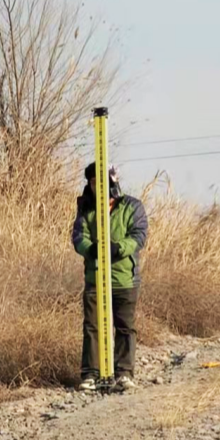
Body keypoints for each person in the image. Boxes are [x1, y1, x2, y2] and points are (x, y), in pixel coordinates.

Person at [71, 163, 149, 392]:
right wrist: (91, 249)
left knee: (125, 327)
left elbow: (139, 235)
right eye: (94, 183)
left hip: (124, 278)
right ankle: (90, 374)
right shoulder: (86, 208)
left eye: (102, 182)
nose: (98, 187)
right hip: (95, 278)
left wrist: (119, 248)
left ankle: (124, 373)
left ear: (113, 183)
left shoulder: (132, 206)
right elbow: (78, 236)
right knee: (92, 326)